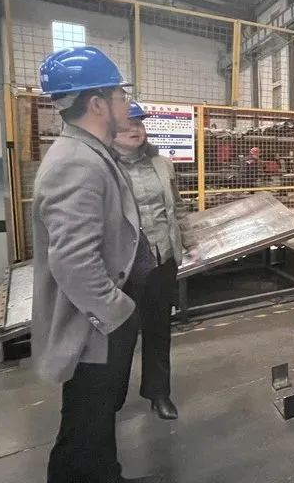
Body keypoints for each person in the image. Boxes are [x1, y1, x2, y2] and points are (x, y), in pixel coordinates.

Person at [31, 46, 161, 483]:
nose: (127, 103)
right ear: (97, 103)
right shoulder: (76, 163)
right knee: (86, 423)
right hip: (96, 325)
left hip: (102, 321)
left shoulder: (92, 152)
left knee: (96, 417)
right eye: (121, 95)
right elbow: (73, 260)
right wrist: (117, 311)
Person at [113, 101, 186, 420]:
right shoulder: (102, 168)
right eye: (127, 124)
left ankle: (159, 393)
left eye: (139, 123)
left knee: (158, 329)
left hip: (161, 258)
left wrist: (187, 241)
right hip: (123, 266)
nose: (135, 129)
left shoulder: (161, 164)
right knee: (119, 334)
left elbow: (177, 206)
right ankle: (110, 399)